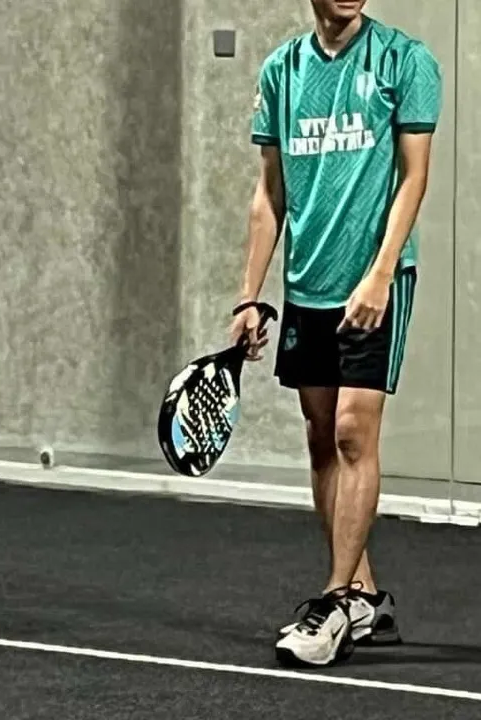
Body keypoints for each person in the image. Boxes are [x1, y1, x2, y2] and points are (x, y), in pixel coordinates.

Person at [230, 0, 442, 668]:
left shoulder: (405, 61)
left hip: (374, 284)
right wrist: (250, 296)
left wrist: (381, 273)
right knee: (322, 437)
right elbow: (269, 196)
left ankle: (333, 603)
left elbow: (414, 177)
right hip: (307, 286)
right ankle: (364, 595)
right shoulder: (281, 72)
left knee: (353, 432)